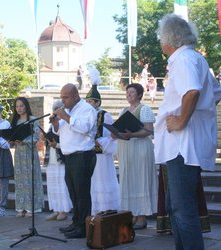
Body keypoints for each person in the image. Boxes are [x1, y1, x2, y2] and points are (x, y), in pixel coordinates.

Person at [155, 14, 221, 250]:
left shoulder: (183, 59)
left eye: (160, 36)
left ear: (170, 39)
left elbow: (192, 92)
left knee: (182, 209)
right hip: (184, 144)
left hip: (182, 145)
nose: (159, 40)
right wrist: (197, 116)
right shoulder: (195, 59)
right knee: (177, 206)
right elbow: (215, 93)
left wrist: (182, 121)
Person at [50, 83, 97, 239]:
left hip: (82, 156)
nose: (63, 100)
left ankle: (84, 228)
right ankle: (76, 222)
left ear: (76, 96)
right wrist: (56, 123)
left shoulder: (87, 110)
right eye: (61, 97)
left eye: (66, 97)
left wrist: (65, 117)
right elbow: (61, 131)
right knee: (73, 192)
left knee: (82, 193)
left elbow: (84, 128)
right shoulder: (67, 111)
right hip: (69, 156)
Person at [114, 83, 157, 230]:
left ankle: (141, 216)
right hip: (126, 149)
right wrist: (115, 133)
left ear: (139, 94)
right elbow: (119, 128)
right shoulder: (124, 111)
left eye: (132, 92)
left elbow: (148, 131)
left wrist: (131, 134)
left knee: (140, 179)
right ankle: (132, 213)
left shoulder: (144, 109)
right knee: (128, 180)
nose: (128, 95)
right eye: (127, 93)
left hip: (140, 148)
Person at [85, 84, 120, 215]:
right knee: (92, 181)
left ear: (98, 102)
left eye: (91, 101)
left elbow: (111, 136)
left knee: (103, 179)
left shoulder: (105, 115)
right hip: (88, 154)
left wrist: (98, 142)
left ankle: (107, 208)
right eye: (86, 101)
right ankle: (95, 210)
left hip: (101, 155)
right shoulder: (85, 116)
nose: (88, 104)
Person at [11, 97, 43, 217]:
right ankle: (21, 207)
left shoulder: (33, 120)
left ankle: (31, 208)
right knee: (20, 179)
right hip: (19, 153)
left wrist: (25, 141)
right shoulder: (15, 121)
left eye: (21, 106)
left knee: (30, 178)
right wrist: (12, 141)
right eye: (17, 106)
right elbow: (12, 136)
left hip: (29, 152)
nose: (19, 108)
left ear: (26, 106)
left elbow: (36, 137)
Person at [42, 100, 72, 221]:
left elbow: (68, 142)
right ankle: (55, 209)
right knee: (52, 186)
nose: (55, 112)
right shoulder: (51, 124)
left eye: (58, 110)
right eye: (54, 110)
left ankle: (63, 210)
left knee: (62, 186)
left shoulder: (66, 123)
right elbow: (49, 141)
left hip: (61, 159)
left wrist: (57, 145)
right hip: (51, 159)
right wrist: (44, 138)